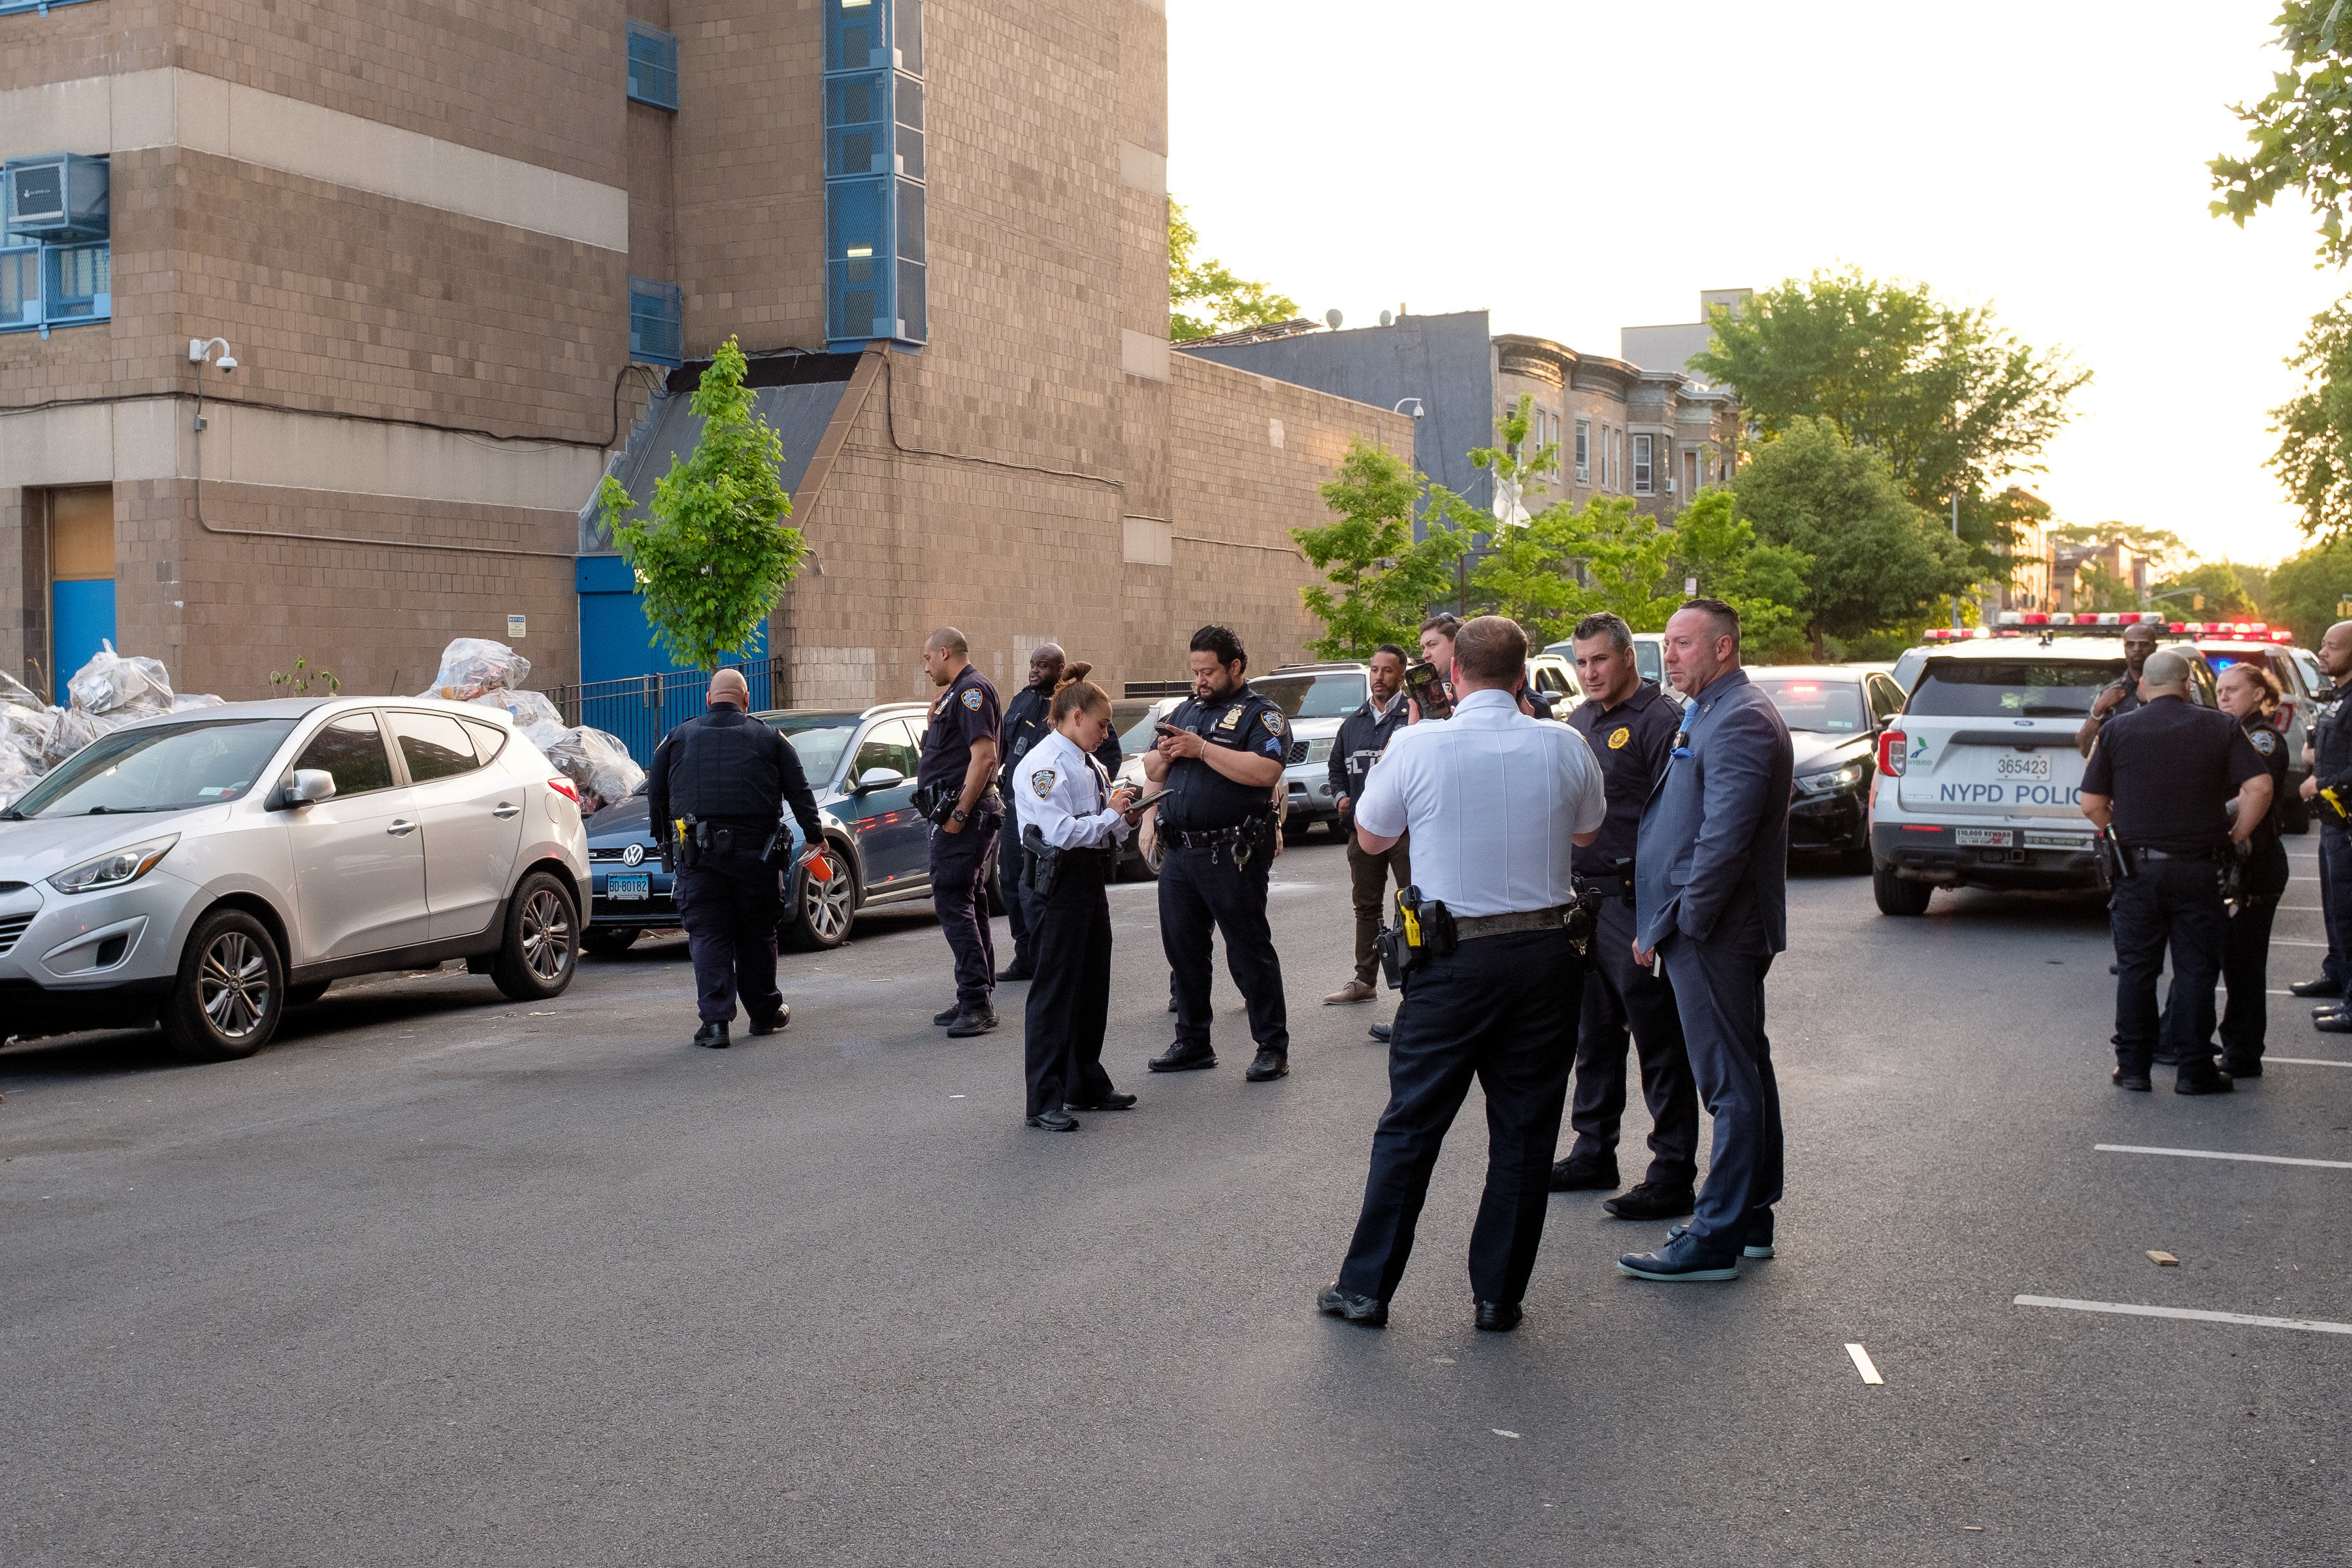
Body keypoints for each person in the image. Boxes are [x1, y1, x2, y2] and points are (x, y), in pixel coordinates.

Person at [1317, 616, 1607, 1331]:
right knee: (1525, 1130)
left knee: (1411, 1126)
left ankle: (1366, 1290)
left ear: (1454, 676)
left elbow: (1372, 835)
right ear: (1523, 677)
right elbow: (1588, 832)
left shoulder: (1418, 743)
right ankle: (1498, 1296)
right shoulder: (1565, 742)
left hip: (1452, 960)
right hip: (1546, 957)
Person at [1618, 598, 1793, 1284]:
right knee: (1744, 1071)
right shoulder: (1712, 710)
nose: (1670, 656)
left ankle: (1715, 1235)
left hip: (1716, 930)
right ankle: (1748, 1220)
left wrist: (1676, 923)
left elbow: (1721, 839)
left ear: (1723, 649)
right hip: (1710, 927)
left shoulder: (1742, 717)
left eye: (1683, 644)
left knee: (1728, 1084)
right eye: (1666, 643)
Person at [1551, 612, 1701, 1220]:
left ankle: (1672, 1172)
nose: (1589, 673)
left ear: (1628, 659)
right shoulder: (1579, 720)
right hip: (1586, 901)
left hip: (1637, 902)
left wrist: (1661, 916)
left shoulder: (1659, 719)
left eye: (1600, 661)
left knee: (1658, 1039)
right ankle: (1594, 1150)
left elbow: (1680, 819)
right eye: (1581, 662)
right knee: (1594, 1033)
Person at [2080, 647, 2272, 1093]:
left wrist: (2123, 832)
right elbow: (2259, 785)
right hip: (2199, 869)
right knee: (2195, 971)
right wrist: (2237, 833)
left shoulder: (2117, 731)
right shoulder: (2220, 726)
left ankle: (2132, 1068)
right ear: (2189, 686)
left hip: (2136, 870)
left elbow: (2091, 803)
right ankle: (2194, 1070)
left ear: (2144, 687)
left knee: (2137, 969)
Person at [645, 666, 826, 1049]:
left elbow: (657, 796)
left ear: (708, 699)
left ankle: (715, 1024)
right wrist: (815, 837)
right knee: (757, 934)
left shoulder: (676, 739)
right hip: (756, 859)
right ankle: (763, 1013)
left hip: (698, 858)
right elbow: (800, 791)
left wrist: (665, 841)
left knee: (709, 935)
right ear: (746, 701)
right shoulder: (770, 739)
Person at [1143, 625, 1294, 1081]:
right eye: (1195, 672)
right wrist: (1169, 755)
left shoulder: (1260, 714)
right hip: (1181, 850)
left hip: (1232, 850)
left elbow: (1267, 770)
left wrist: (1203, 749)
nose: (1200, 680)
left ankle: (1271, 1045)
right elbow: (1151, 766)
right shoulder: (1185, 711)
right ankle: (1192, 1040)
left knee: (1249, 950)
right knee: (1184, 951)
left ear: (1235, 667)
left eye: (1209, 671)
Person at [1019, 670, 1147, 1130]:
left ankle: (1084, 1083)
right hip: (1057, 881)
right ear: (1077, 716)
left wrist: (1124, 818)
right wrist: (1109, 815)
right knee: (1054, 993)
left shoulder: (1088, 761)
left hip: (1088, 879)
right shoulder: (1046, 763)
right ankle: (1044, 1100)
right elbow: (1061, 832)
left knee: (1093, 985)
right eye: (1103, 723)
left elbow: (1097, 821)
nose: (1107, 732)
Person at [917, 627, 1005, 1038]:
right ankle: (976, 990)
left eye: (928, 658)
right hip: (955, 813)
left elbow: (984, 756)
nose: (926, 665)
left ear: (945, 652)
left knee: (953, 900)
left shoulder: (972, 692)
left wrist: (960, 812)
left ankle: (977, 1002)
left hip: (964, 815)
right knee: (970, 900)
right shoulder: (957, 693)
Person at [2204, 662, 2291, 1071]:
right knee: (2229, 957)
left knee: (2243, 964)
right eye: (2219, 690)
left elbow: (2252, 796)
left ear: (2258, 694)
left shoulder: (2261, 739)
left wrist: (2210, 821)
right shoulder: (2232, 735)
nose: (2223, 697)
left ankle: (2242, 1053)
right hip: (2239, 861)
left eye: (2233, 690)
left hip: (2255, 864)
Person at [1323, 644, 1413, 1007]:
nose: (1379, 677)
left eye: (1387, 670)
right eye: (1374, 670)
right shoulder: (1353, 723)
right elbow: (1335, 769)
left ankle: (1414, 983)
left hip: (1407, 832)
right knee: (1366, 908)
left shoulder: (1413, 718)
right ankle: (1364, 980)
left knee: (1412, 904)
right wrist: (1340, 797)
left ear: (1402, 676)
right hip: (1363, 830)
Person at [995, 643, 1067, 983]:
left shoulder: (1072, 702)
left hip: (1051, 810)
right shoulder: (1022, 699)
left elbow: (1104, 754)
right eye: (1033, 664)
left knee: (1047, 885)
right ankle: (1024, 953)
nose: (1035, 670)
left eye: (1043, 665)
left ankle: (1049, 956)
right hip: (1014, 808)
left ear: (1060, 668)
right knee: (1012, 879)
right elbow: (1003, 748)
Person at [2295, 621, 2352, 1013]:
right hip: (2332, 821)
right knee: (2334, 908)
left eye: (2333, 647)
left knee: (2349, 912)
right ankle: (2338, 976)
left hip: (2347, 822)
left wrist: (2321, 783)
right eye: (2323, 644)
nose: (2324, 653)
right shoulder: (2339, 697)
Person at [2074, 619, 2160, 757]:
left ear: (2155, 647)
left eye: (2144, 644)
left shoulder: (2168, 687)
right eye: (2130, 644)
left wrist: (2153, 701)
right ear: (2124, 648)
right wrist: (2098, 710)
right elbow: (2085, 749)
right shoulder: (2111, 692)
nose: (2137, 649)